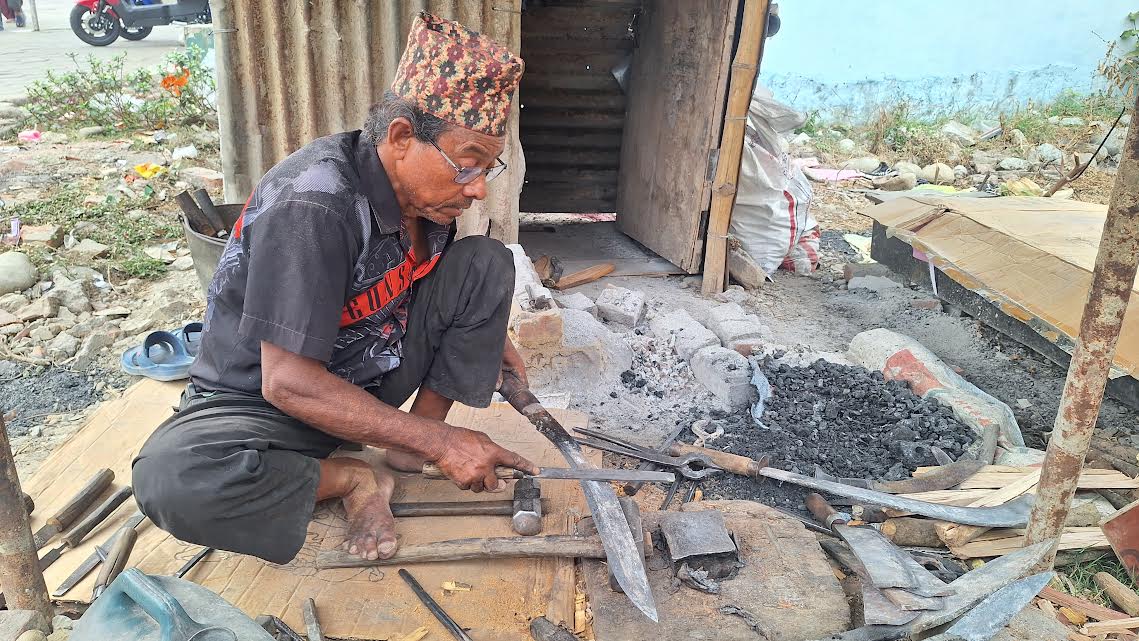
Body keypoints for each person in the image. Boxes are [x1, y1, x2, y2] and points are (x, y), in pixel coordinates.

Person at [133, 13, 538, 565]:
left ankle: (407, 443)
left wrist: (485, 334)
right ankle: (351, 477)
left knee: (486, 263)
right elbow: (288, 384)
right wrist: (444, 444)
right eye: (467, 167)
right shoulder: (314, 206)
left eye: (487, 170)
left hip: (365, 374)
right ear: (401, 138)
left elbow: (424, 281)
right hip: (264, 404)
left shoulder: (424, 198)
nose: (477, 191)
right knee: (172, 479)